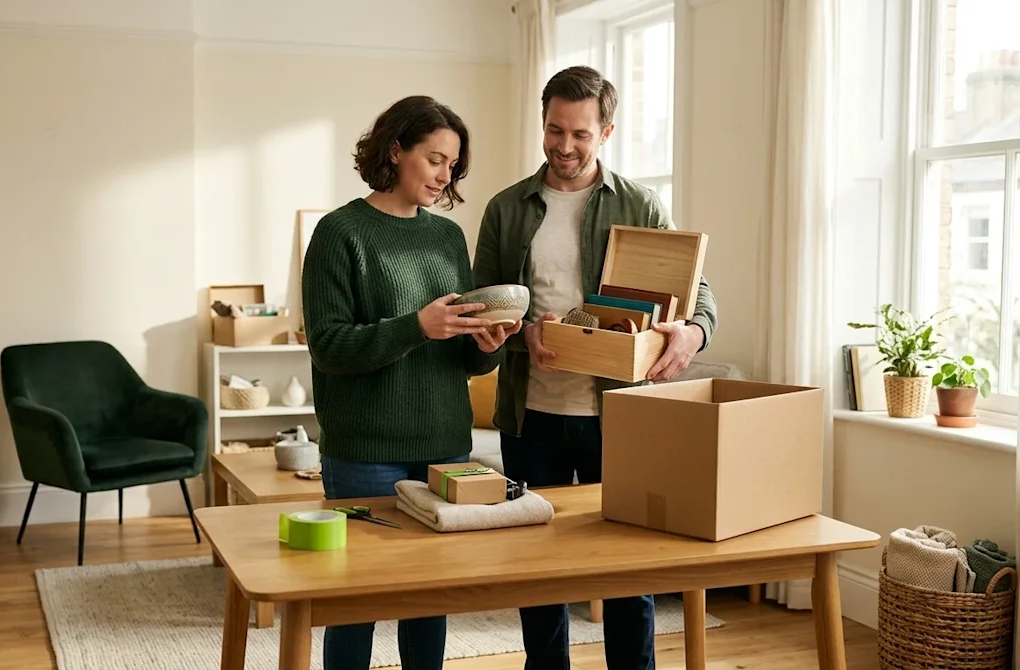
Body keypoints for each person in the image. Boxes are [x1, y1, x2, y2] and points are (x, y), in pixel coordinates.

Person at [472, 65, 719, 670]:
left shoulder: (639, 203)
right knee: (538, 569)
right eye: (554, 130)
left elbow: (697, 290)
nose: (564, 146)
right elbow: (483, 306)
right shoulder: (506, 209)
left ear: (606, 132)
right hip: (531, 416)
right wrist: (520, 334)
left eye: (580, 134)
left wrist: (692, 332)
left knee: (628, 569)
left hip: (622, 417)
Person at [300, 95, 522, 670]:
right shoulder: (339, 233)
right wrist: (415, 326)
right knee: (356, 602)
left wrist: (487, 347)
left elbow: (463, 359)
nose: (445, 176)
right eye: (435, 159)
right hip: (363, 452)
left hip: (444, 447)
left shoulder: (447, 237)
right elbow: (328, 346)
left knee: (429, 601)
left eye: (453, 165)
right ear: (396, 150)